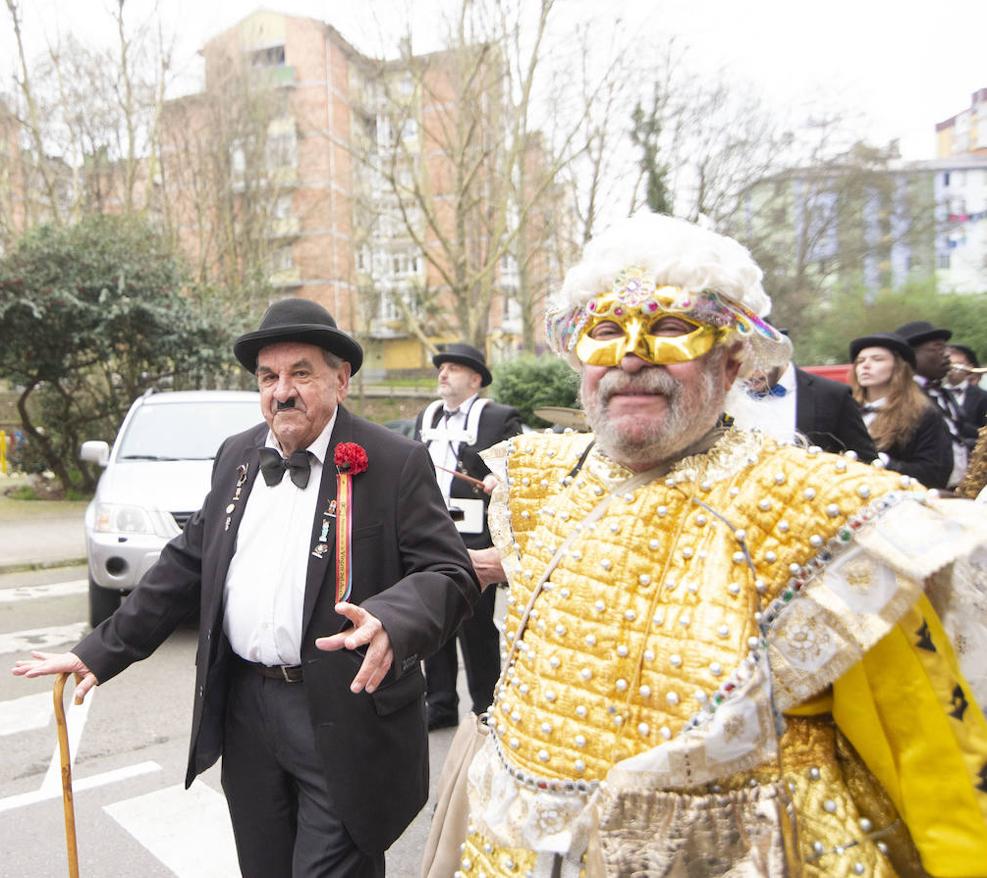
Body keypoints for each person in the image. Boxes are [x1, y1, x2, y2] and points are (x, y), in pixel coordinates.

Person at [452, 213, 987, 877]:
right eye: (606, 330)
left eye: (671, 327)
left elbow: (933, 763)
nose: (631, 355)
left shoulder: (822, 510)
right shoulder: (545, 480)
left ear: (730, 361)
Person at [13, 298, 479, 878]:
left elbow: (450, 572)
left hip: (346, 715)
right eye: (268, 377)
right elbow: (187, 562)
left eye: (300, 373)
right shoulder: (237, 455)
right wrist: (98, 651)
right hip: (248, 714)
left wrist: (393, 617)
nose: (282, 392)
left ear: (341, 379)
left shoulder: (393, 462)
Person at [413, 342, 523, 730]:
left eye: (454, 369)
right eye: (441, 368)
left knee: (474, 625)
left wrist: (498, 479)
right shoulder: (427, 416)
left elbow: (517, 469)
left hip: (475, 534)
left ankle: (486, 706)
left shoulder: (500, 417)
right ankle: (440, 703)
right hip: (429, 530)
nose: (443, 374)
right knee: (433, 618)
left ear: (475, 380)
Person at [848, 332, 953, 490]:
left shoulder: (922, 413)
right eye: (860, 361)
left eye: (877, 359)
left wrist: (884, 462)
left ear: (899, 367)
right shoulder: (845, 407)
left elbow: (934, 473)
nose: (865, 365)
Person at [734, 357, 878, 460]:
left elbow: (866, 460)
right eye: (734, 364)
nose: (745, 374)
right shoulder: (730, 397)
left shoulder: (832, 394)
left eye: (751, 362)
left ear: (777, 352)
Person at [894, 320, 977, 487]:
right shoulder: (901, 398)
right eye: (937, 348)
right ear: (910, 356)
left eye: (945, 349)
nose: (946, 355)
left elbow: (960, 431)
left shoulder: (944, 394)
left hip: (956, 489)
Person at [947, 343, 987, 430]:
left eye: (958, 364)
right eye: (950, 364)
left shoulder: (983, 396)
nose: (953, 368)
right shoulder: (936, 393)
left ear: (969, 368)